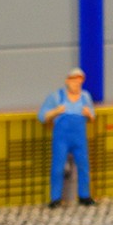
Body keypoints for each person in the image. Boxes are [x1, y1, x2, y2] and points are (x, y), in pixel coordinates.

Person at [39, 68, 97, 208]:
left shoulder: (85, 97)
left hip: (79, 139)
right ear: (67, 81)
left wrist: (89, 114)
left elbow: (92, 117)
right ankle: (55, 198)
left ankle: (84, 195)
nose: (76, 83)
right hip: (61, 139)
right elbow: (41, 116)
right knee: (58, 167)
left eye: (79, 81)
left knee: (83, 166)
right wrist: (56, 111)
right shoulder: (57, 97)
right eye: (74, 80)